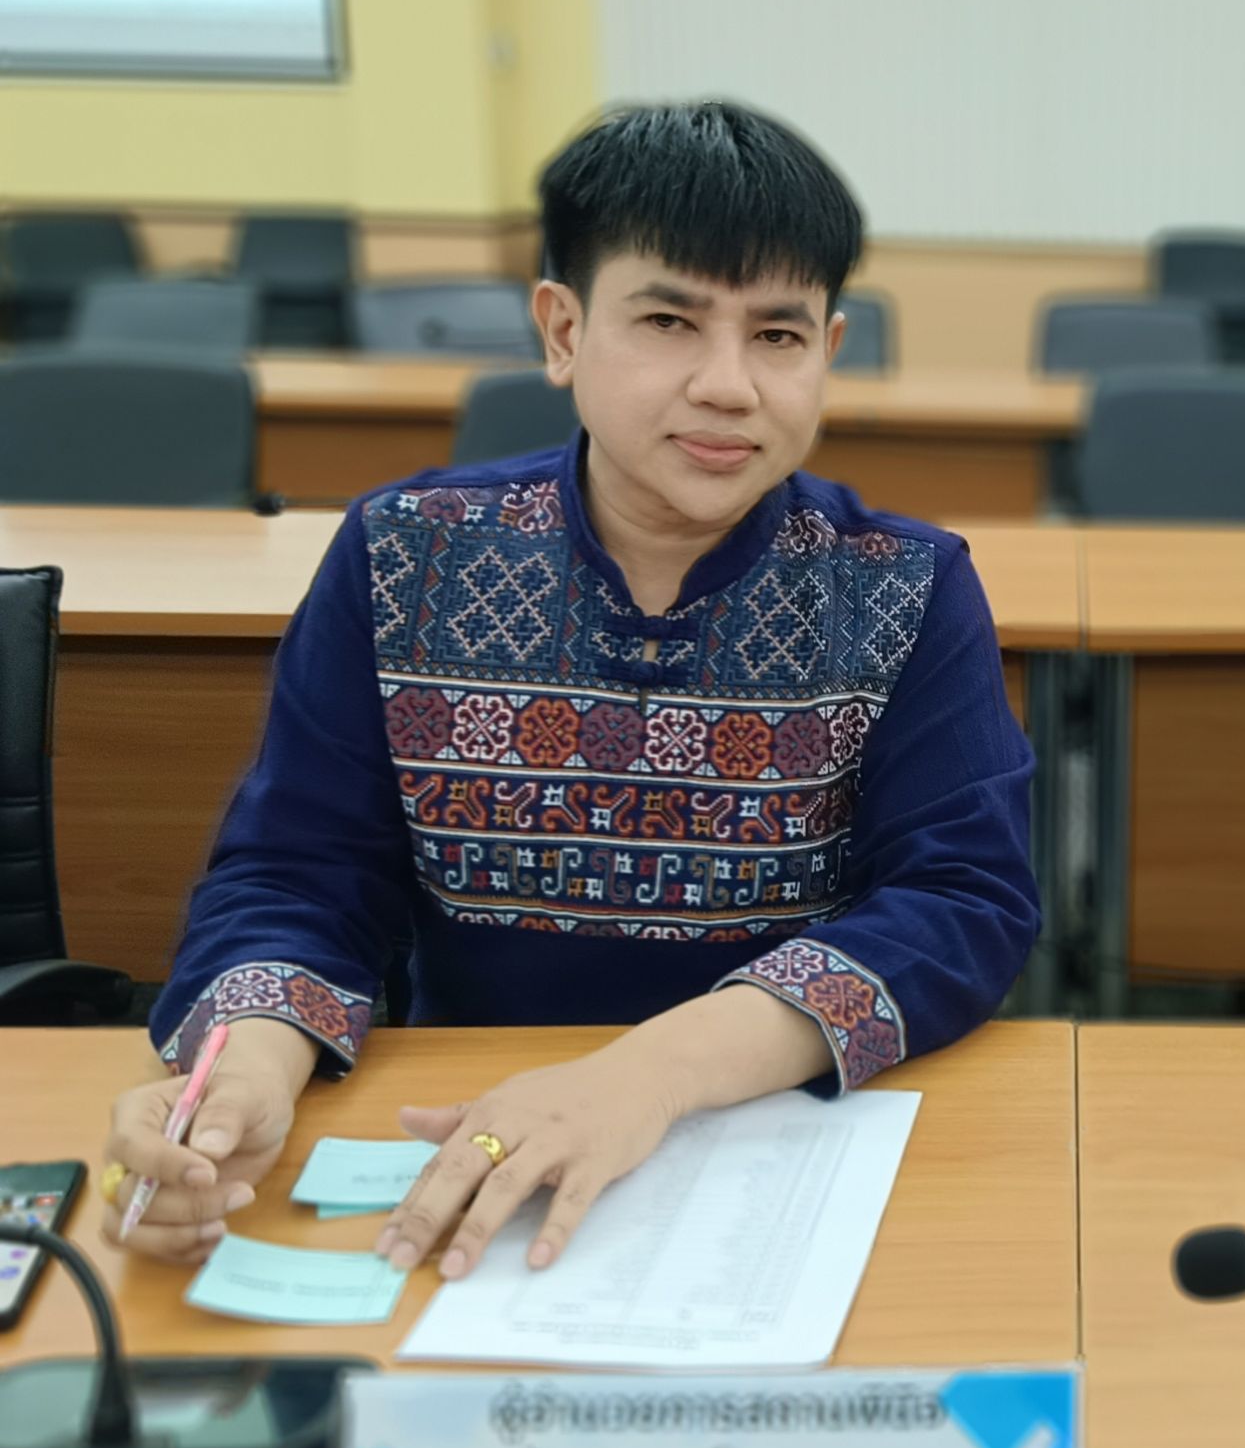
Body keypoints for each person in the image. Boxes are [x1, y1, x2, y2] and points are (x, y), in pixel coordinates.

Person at [100, 102, 1040, 1276]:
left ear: (828, 353)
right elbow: (301, 873)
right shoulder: (406, 555)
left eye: (778, 336)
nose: (729, 385)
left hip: (777, 1137)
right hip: (469, 1130)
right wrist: (245, 1069)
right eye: (668, 321)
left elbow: (963, 902)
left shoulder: (902, 584)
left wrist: (648, 1075)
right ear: (562, 330)